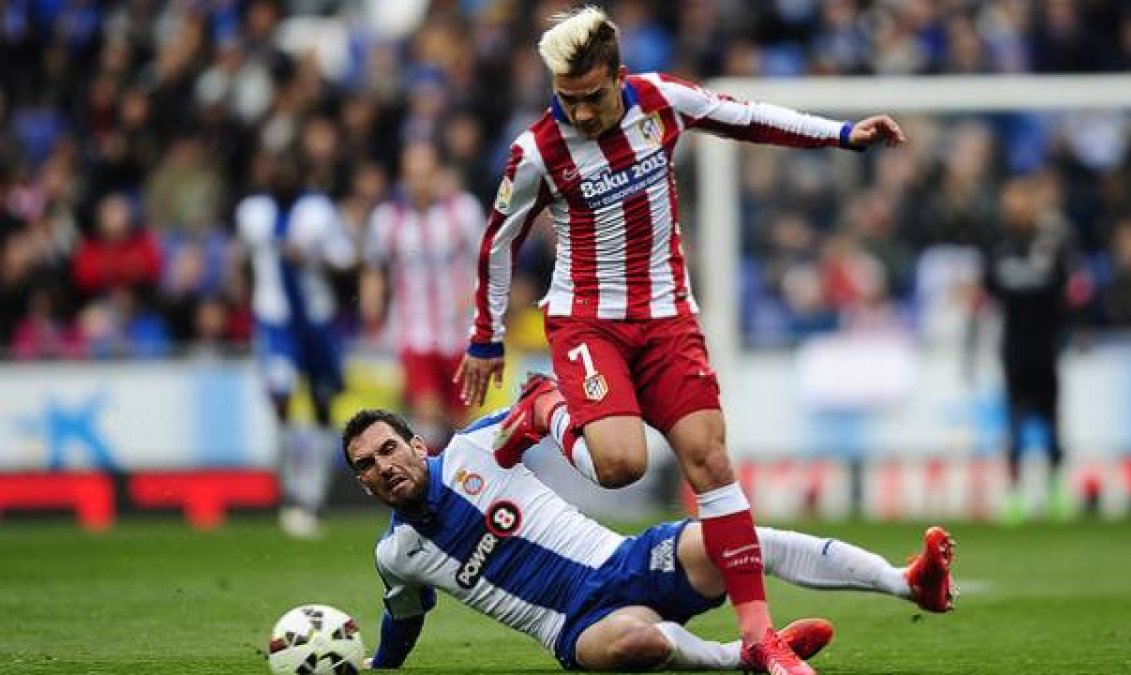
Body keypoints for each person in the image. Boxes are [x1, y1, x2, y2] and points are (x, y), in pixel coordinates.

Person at [454, 7, 907, 671]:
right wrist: (486, 338)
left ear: (618, 74)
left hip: (668, 317)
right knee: (620, 465)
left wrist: (842, 135)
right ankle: (542, 407)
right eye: (566, 100)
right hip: (588, 321)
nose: (579, 115)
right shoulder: (535, 153)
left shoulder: (662, 99)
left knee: (711, 460)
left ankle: (759, 638)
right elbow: (499, 244)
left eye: (592, 98)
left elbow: (749, 116)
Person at [341, 397, 955, 672]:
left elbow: (540, 401)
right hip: (573, 630)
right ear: (365, 486)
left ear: (417, 445)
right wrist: (381, 666)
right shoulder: (399, 553)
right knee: (634, 643)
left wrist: (564, 430)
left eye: (389, 449)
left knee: (735, 538)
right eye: (366, 466)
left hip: (625, 559)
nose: (383, 467)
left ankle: (908, 583)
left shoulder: (478, 448)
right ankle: (746, 659)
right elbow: (404, 616)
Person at [237, 149, 356, 538]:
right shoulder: (252, 212)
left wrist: (313, 257)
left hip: (315, 321)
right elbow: (244, 262)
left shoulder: (318, 212)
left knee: (322, 405)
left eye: (289, 168)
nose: (282, 174)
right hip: (275, 323)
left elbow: (346, 259)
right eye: (277, 167)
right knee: (281, 398)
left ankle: (315, 496)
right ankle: (290, 492)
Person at [362, 142, 486, 451]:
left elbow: (487, 262)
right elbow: (374, 266)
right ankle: (429, 491)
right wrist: (372, 304)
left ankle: (461, 483)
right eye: (412, 175)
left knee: (463, 421)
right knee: (426, 414)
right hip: (413, 331)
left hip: (459, 333)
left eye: (425, 174)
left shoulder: (463, 211)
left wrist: (476, 298)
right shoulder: (387, 219)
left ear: (438, 174)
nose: (419, 182)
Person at [982, 177, 1074, 524]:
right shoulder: (998, 245)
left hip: (1046, 342)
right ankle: (1016, 493)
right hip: (1015, 344)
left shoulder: (1052, 243)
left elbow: (1063, 289)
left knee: (1051, 418)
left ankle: (1054, 490)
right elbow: (992, 287)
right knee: (1015, 421)